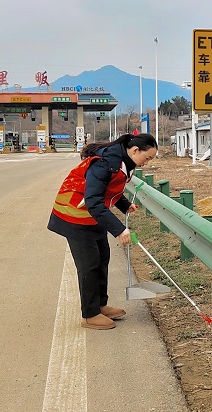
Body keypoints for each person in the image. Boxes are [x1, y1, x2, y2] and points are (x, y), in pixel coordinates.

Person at [48, 133, 158, 329]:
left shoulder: (124, 163)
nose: (146, 162)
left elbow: (108, 189)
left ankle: (100, 305)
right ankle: (90, 315)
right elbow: (93, 199)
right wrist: (119, 230)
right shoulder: (106, 163)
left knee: (102, 258)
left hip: (91, 214)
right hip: (74, 213)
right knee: (89, 264)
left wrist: (124, 205)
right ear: (135, 151)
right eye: (147, 157)